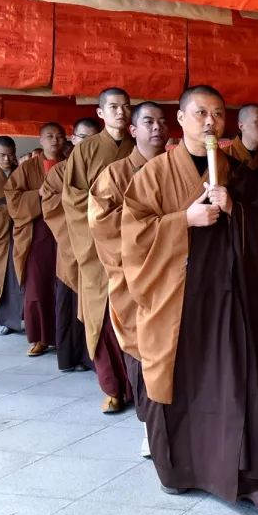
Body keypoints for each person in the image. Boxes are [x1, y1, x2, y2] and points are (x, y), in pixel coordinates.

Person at [122, 85, 258, 514]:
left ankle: (248, 480)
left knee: (242, 383)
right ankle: (181, 472)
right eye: (200, 113)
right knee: (180, 385)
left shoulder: (239, 173)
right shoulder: (153, 175)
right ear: (181, 119)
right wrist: (183, 221)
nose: (210, 122)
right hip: (178, 301)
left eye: (217, 113)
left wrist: (237, 211)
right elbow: (132, 237)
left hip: (234, 301)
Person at [89, 102, 168, 435]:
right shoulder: (115, 174)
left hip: (176, 275)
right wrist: (157, 231)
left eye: (162, 122)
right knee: (142, 351)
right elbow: (101, 224)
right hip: (134, 278)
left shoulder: (176, 169)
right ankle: (151, 427)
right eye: (148, 121)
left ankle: (180, 423)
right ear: (133, 130)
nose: (156, 128)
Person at [62, 89, 134, 412]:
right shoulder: (86, 151)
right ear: (101, 112)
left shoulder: (141, 148)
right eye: (114, 107)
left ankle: (138, 385)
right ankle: (113, 387)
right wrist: (106, 213)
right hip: (96, 247)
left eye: (125, 107)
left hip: (137, 246)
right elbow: (73, 200)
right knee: (103, 317)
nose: (121, 112)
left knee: (133, 316)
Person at [4, 123, 66, 356]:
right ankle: (39, 337)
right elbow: (12, 198)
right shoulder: (27, 168)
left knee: (65, 287)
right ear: (40, 140)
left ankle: (65, 336)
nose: (55, 140)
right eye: (49, 136)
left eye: (59, 136)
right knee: (37, 288)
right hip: (37, 232)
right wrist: (37, 195)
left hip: (67, 233)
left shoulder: (71, 163)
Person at [40, 131, 93, 374]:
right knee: (70, 304)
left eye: (93, 138)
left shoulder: (111, 167)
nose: (88, 144)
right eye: (83, 138)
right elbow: (50, 204)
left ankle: (96, 359)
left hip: (102, 247)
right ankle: (72, 355)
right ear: (74, 139)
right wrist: (80, 224)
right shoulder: (60, 171)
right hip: (71, 245)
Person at [0, 137, 23, 335]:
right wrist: (10, 209)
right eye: (2, 155)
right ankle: (3, 319)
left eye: (10, 154)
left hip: (21, 230)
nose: (7, 159)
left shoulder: (21, 172)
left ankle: (20, 317)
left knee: (19, 275)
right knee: (1, 277)